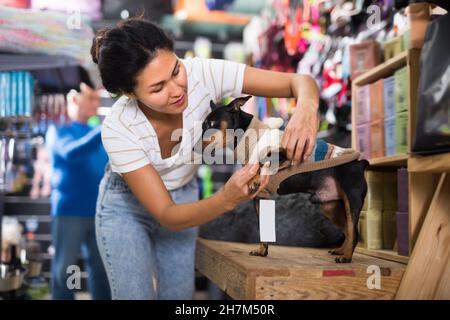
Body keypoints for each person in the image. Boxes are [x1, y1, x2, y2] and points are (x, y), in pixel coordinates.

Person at [92, 17, 319, 300]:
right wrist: (227, 198)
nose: (177, 89)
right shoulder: (118, 128)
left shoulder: (203, 73)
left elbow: (300, 82)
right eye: (158, 88)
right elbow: (167, 215)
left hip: (184, 194)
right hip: (125, 207)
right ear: (129, 93)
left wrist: (306, 110)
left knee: (179, 298)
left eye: (176, 70)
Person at [45, 83, 111, 300]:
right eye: (91, 97)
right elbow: (71, 153)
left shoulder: (95, 132)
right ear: (74, 100)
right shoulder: (59, 130)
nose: (96, 102)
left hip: (98, 213)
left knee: (101, 272)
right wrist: (104, 130)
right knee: (65, 271)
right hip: (69, 212)